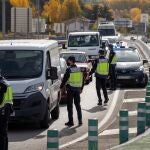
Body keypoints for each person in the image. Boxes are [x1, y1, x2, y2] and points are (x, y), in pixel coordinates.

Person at [60, 56, 84, 127]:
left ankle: (71, 121)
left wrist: (61, 87)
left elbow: (64, 79)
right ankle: (80, 121)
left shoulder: (69, 70)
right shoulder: (79, 69)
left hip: (70, 90)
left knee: (70, 106)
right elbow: (82, 80)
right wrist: (81, 88)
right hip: (77, 90)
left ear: (70, 61)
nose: (68, 62)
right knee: (78, 105)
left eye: (68, 60)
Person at [0, 75, 13, 150]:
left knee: (1, 134)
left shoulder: (2, 85)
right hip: (6, 110)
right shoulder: (7, 83)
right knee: (4, 133)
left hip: (2, 111)